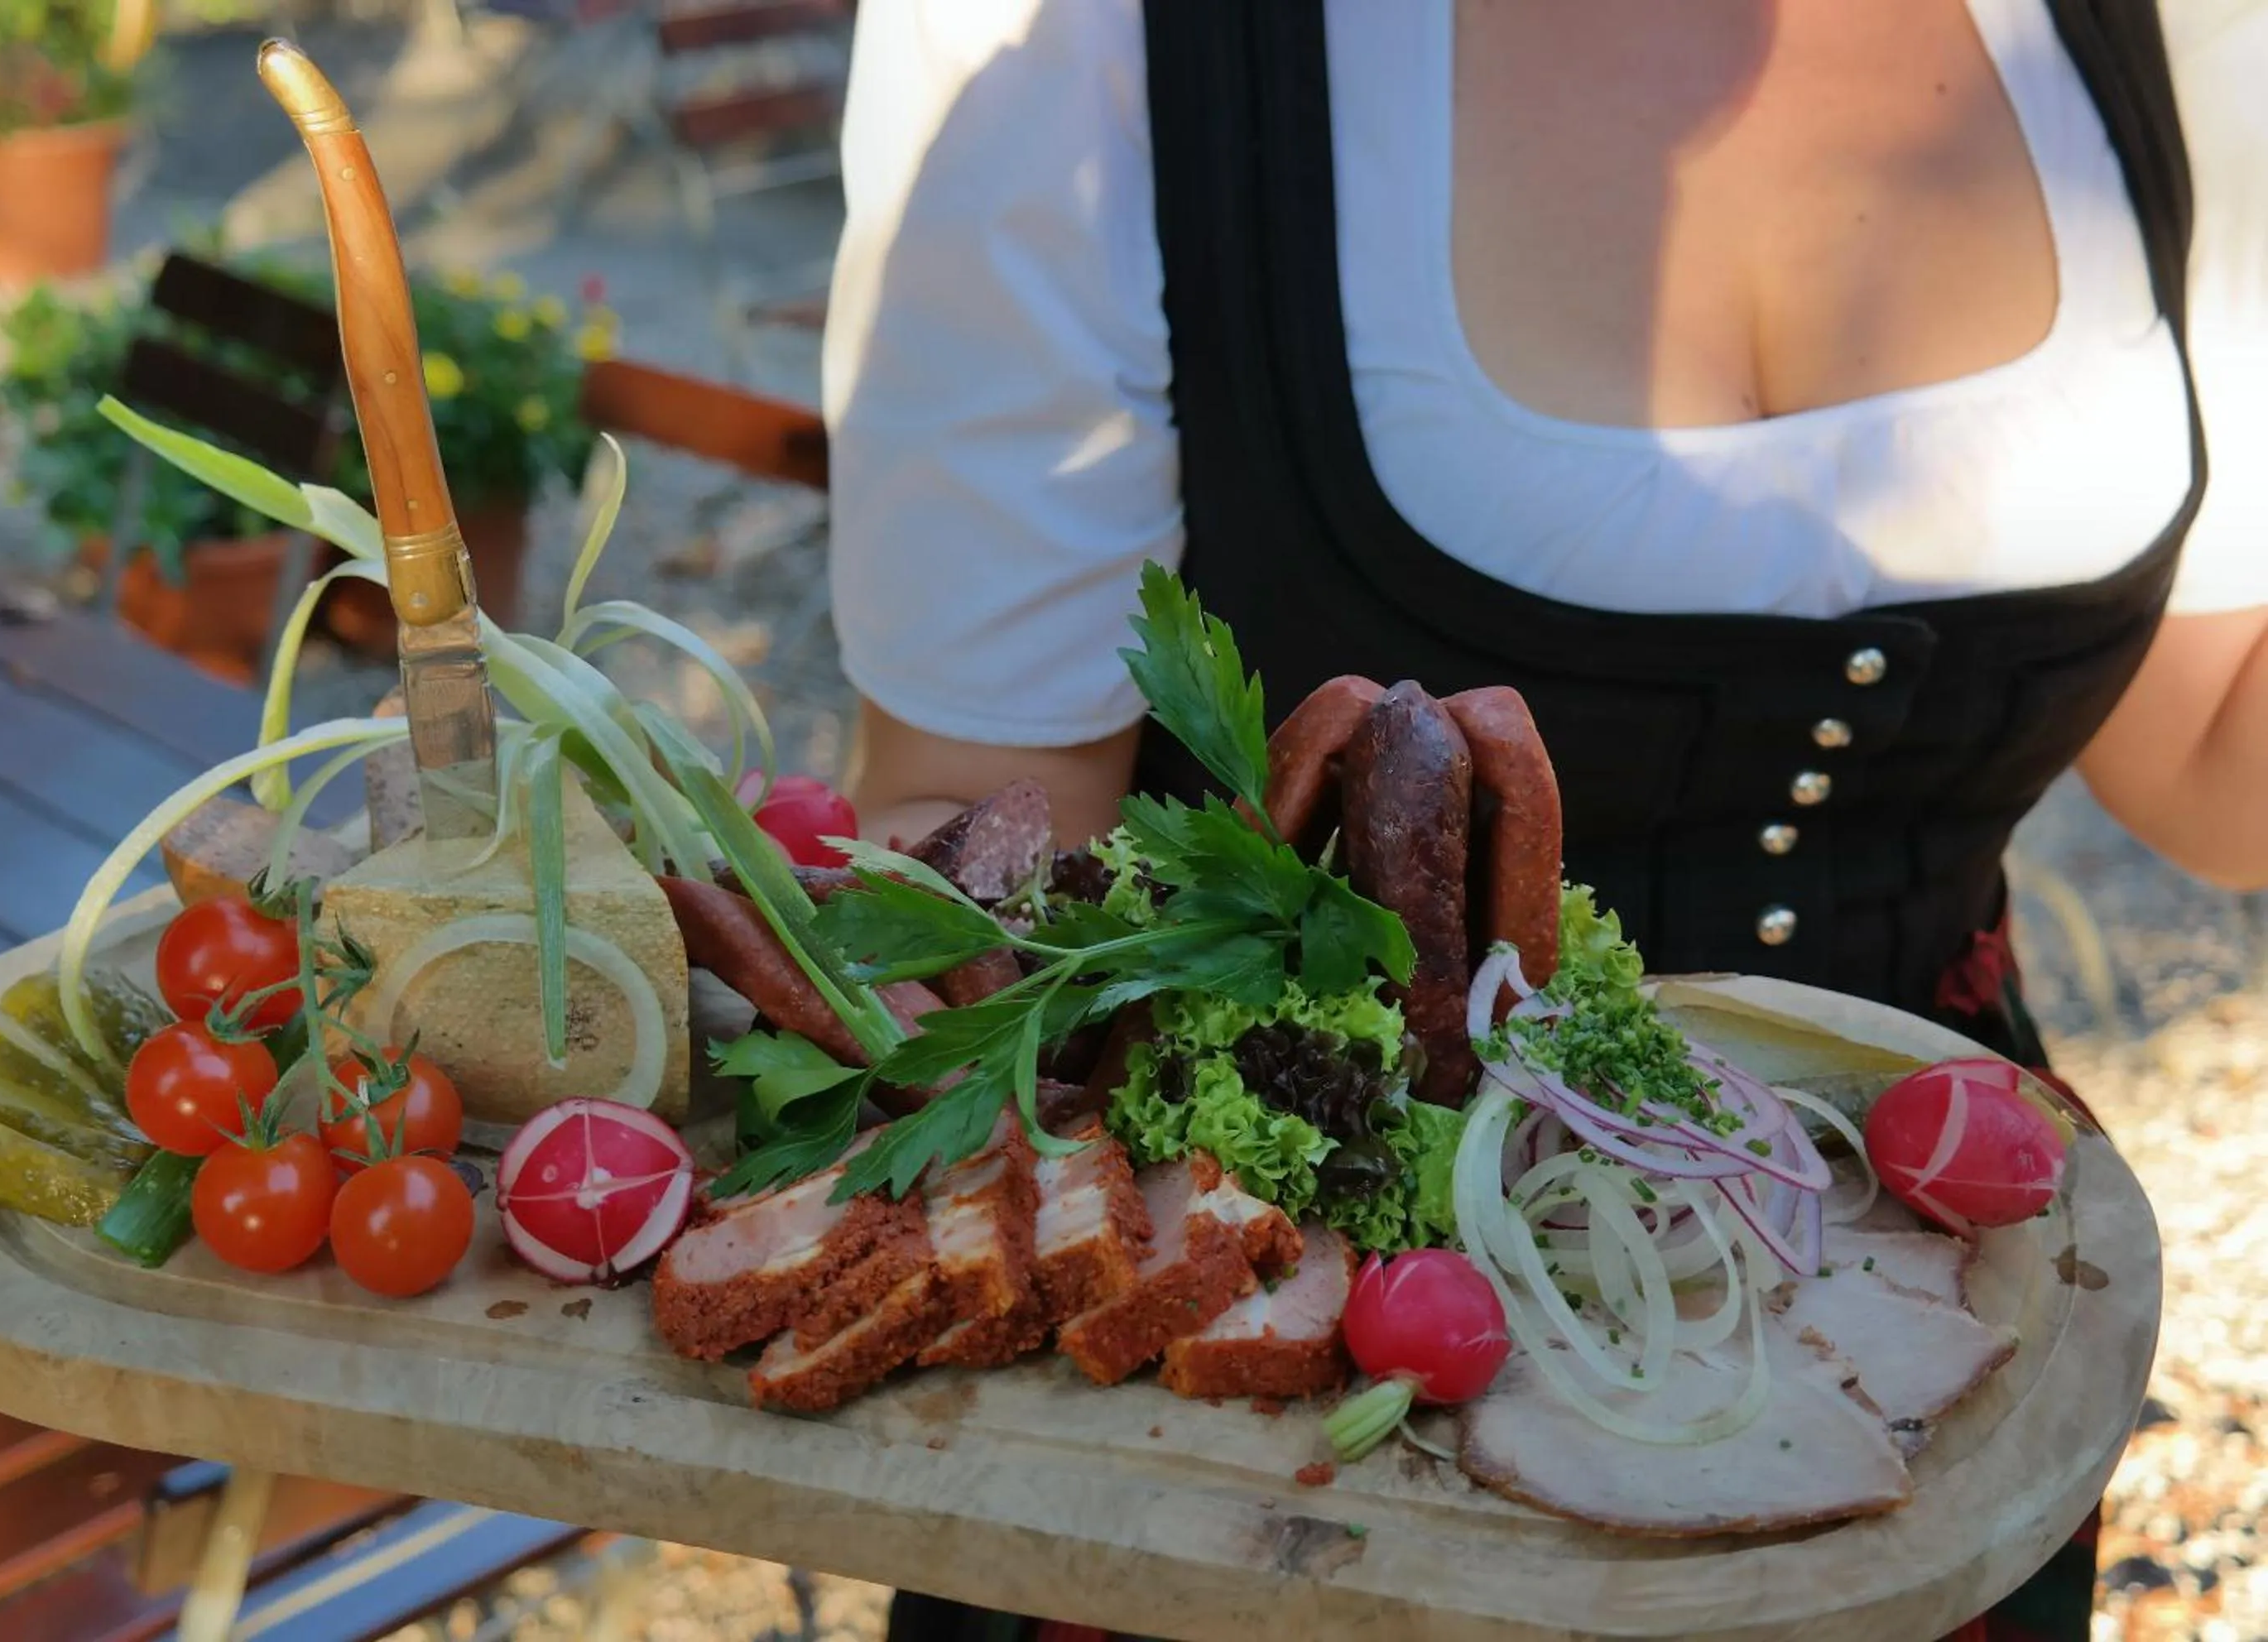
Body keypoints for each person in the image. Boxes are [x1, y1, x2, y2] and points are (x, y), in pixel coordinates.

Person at [819, 3, 2268, 1640]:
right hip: (1280, 1443)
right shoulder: (1077, 34)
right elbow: (979, 820)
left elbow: (2216, 755)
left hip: (1923, 1396)